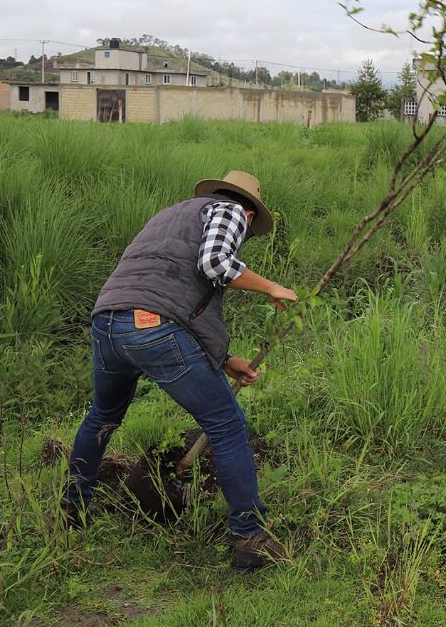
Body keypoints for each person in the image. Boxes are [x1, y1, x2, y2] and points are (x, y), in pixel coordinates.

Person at [64, 171, 298, 571]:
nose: (246, 233)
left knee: (103, 416)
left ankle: (74, 509)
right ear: (249, 209)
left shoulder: (171, 217)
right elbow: (216, 264)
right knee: (226, 425)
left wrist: (225, 362)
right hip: (153, 327)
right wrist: (272, 286)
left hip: (107, 323)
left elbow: (169, 292)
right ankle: (250, 537)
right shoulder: (230, 210)